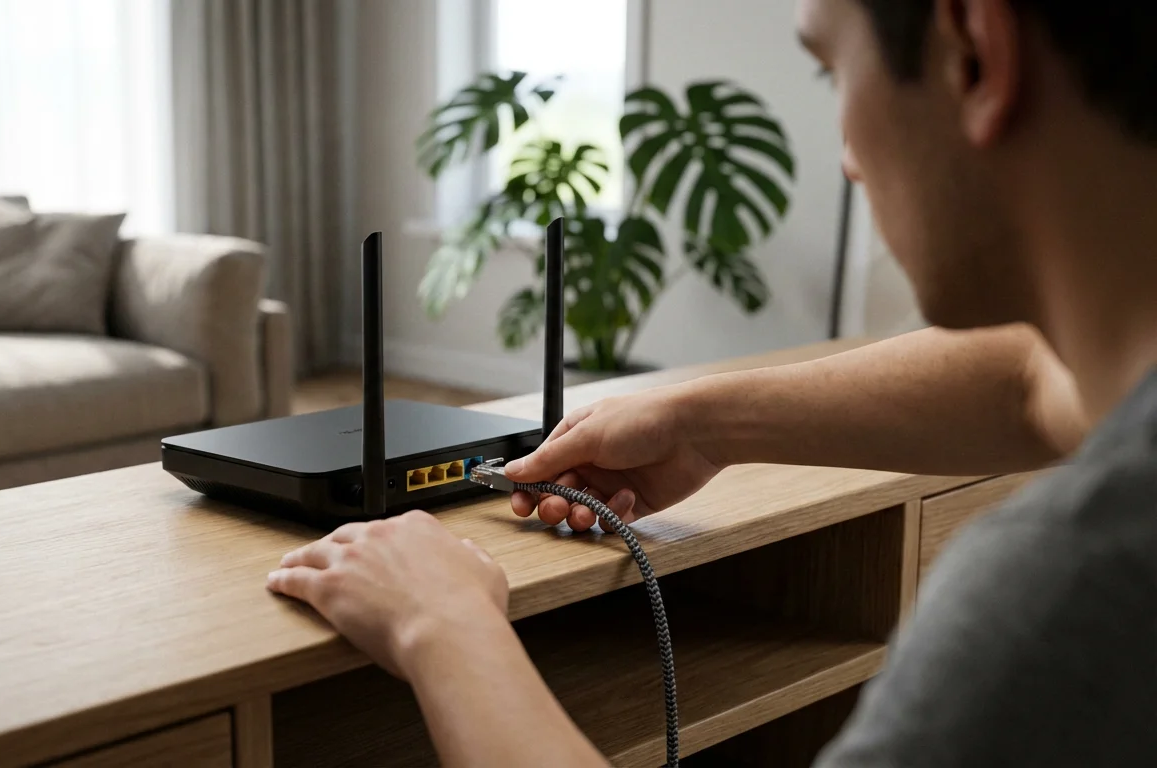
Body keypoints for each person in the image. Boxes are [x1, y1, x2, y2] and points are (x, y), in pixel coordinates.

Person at [267, 0, 1157, 764]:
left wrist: (442, 628)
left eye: (831, 72)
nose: (848, 158)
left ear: (974, 54)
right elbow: (1031, 383)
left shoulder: (1068, 595)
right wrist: (703, 422)